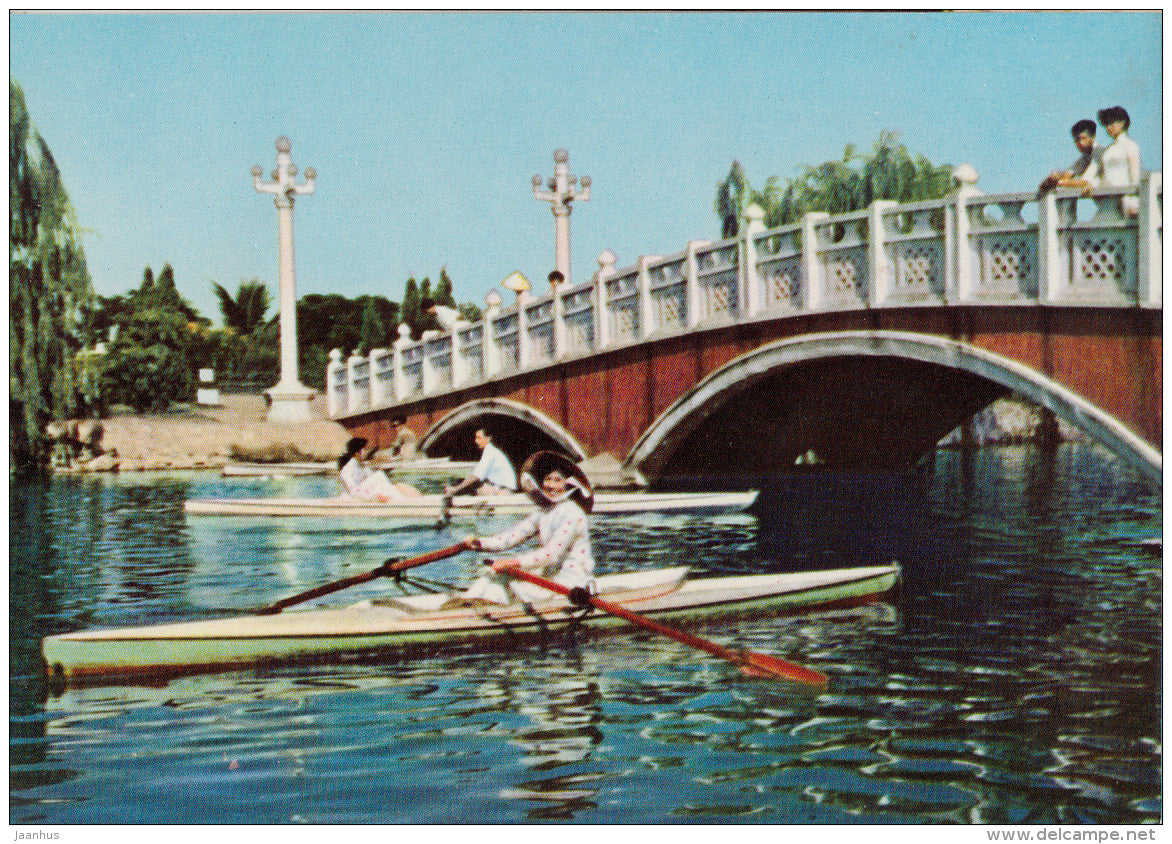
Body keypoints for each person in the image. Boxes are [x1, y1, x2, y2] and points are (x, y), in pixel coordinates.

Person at [454, 451, 595, 606]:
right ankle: (469, 604)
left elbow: (552, 554)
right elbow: (512, 536)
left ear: (567, 484)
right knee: (493, 574)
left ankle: (474, 610)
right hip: (550, 575)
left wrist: (513, 562)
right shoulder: (545, 511)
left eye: (557, 480)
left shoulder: (573, 512)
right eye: (548, 479)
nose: (551, 486)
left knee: (502, 579)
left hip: (571, 582)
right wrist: (479, 543)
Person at [337, 437, 422, 501]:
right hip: (354, 499)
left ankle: (405, 498)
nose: (366, 451)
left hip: (365, 494)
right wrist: (375, 497)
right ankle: (401, 500)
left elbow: (373, 482)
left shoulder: (361, 466)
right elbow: (354, 493)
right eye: (364, 449)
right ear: (357, 453)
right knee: (379, 475)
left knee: (398, 486)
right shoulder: (349, 469)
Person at [1095, 105, 1142, 217]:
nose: (1108, 128)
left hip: (1126, 199)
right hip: (1108, 199)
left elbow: (1135, 175)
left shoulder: (1130, 145)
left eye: (1111, 123)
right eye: (1106, 125)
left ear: (1122, 123)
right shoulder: (1108, 149)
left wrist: (1134, 203)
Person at [444, 427, 517, 496]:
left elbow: (476, 476)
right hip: (503, 488)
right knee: (477, 490)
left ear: (488, 438)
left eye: (479, 438)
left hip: (504, 492)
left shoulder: (490, 452)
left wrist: (456, 489)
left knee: (474, 492)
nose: (476, 441)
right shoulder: (491, 451)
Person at [1038, 119, 1103, 194]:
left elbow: (1085, 181)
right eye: (1077, 140)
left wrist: (1059, 183)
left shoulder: (1099, 153)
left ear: (1093, 137)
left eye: (1083, 138)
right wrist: (1055, 177)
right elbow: (1071, 172)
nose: (1080, 143)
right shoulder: (1086, 156)